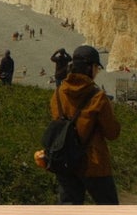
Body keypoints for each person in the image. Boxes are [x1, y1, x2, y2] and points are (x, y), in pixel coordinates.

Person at [49, 45, 121, 204]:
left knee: (69, 212)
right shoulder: (98, 97)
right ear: (90, 68)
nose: (97, 72)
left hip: (65, 162)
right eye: (97, 68)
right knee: (109, 210)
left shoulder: (58, 93)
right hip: (94, 164)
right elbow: (112, 133)